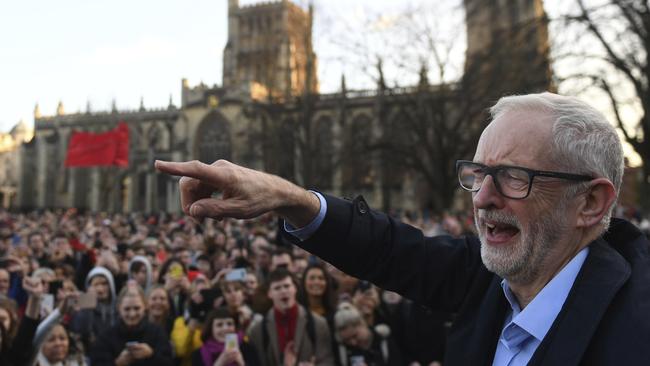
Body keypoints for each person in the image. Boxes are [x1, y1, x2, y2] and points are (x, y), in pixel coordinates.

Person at [155, 92, 650, 365]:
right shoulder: (490, 281)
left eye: (513, 177)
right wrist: (288, 198)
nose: (481, 198)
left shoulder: (636, 322)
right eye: (477, 175)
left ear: (590, 201)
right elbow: (387, 248)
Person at [247, 268, 334, 366]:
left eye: (287, 286)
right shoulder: (257, 331)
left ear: (295, 288)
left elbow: (327, 359)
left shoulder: (318, 323)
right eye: (277, 288)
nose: (283, 291)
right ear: (269, 294)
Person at [91, 284, 173, 366]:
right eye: (127, 309)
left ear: (145, 307)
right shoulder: (105, 337)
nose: (132, 314)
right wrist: (118, 363)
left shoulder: (157, 333)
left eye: (137, 308)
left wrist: (151, 354)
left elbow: (169, 362)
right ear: (119, 308)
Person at [333, 302, 403, 366]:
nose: (353, 342)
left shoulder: (384, 341)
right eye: (347, 340)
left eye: (355, 336)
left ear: (362, 324)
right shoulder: (342, 350)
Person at [191, 307, 260, 366]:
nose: (225, 328)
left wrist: (241, 363)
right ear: (211, 329)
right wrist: (220, 363)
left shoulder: (247, 348)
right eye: (219, 325)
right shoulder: (198, 355)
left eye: (229, 324)